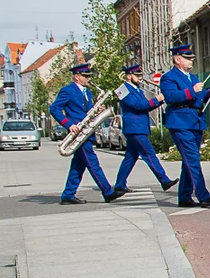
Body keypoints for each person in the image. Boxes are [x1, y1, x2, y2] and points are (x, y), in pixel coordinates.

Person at [49, 63, 123, 205]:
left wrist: (97, 109)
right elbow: (55, 108)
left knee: (78, 166)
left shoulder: (88, 93)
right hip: (78, 131)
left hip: (87, 130)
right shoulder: (68, 91)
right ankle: (107, 191)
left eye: (89, 76)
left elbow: (87, 111)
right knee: (92, 162)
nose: (88, 79)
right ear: (76, 77)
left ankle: (68, 194)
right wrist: (68, 124)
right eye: (85, 76)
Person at [160, 44, 210, 208]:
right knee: (193, 159)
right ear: (177, 59)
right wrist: (191, 91)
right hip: (180, 121)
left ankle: (185, 196)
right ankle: (203, 195)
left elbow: (199, 97)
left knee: (188, 161)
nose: (191, 60)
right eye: (187, 58)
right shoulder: (169, 77)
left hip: (195, 121)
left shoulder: (192, 77)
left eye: (191, 57)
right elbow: (170, 97)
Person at [113, 63, 176, 193]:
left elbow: (146, 107)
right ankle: (164, 180)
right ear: (129, 76)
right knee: (149, 153)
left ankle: (120, 184)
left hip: (139, 127)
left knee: (131, 157)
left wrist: (159, 101)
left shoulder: (137, 89)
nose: (140, 78)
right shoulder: (122, 89)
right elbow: (137, 106)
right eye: (137, 75)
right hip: (134, 128)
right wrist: (155, 99)